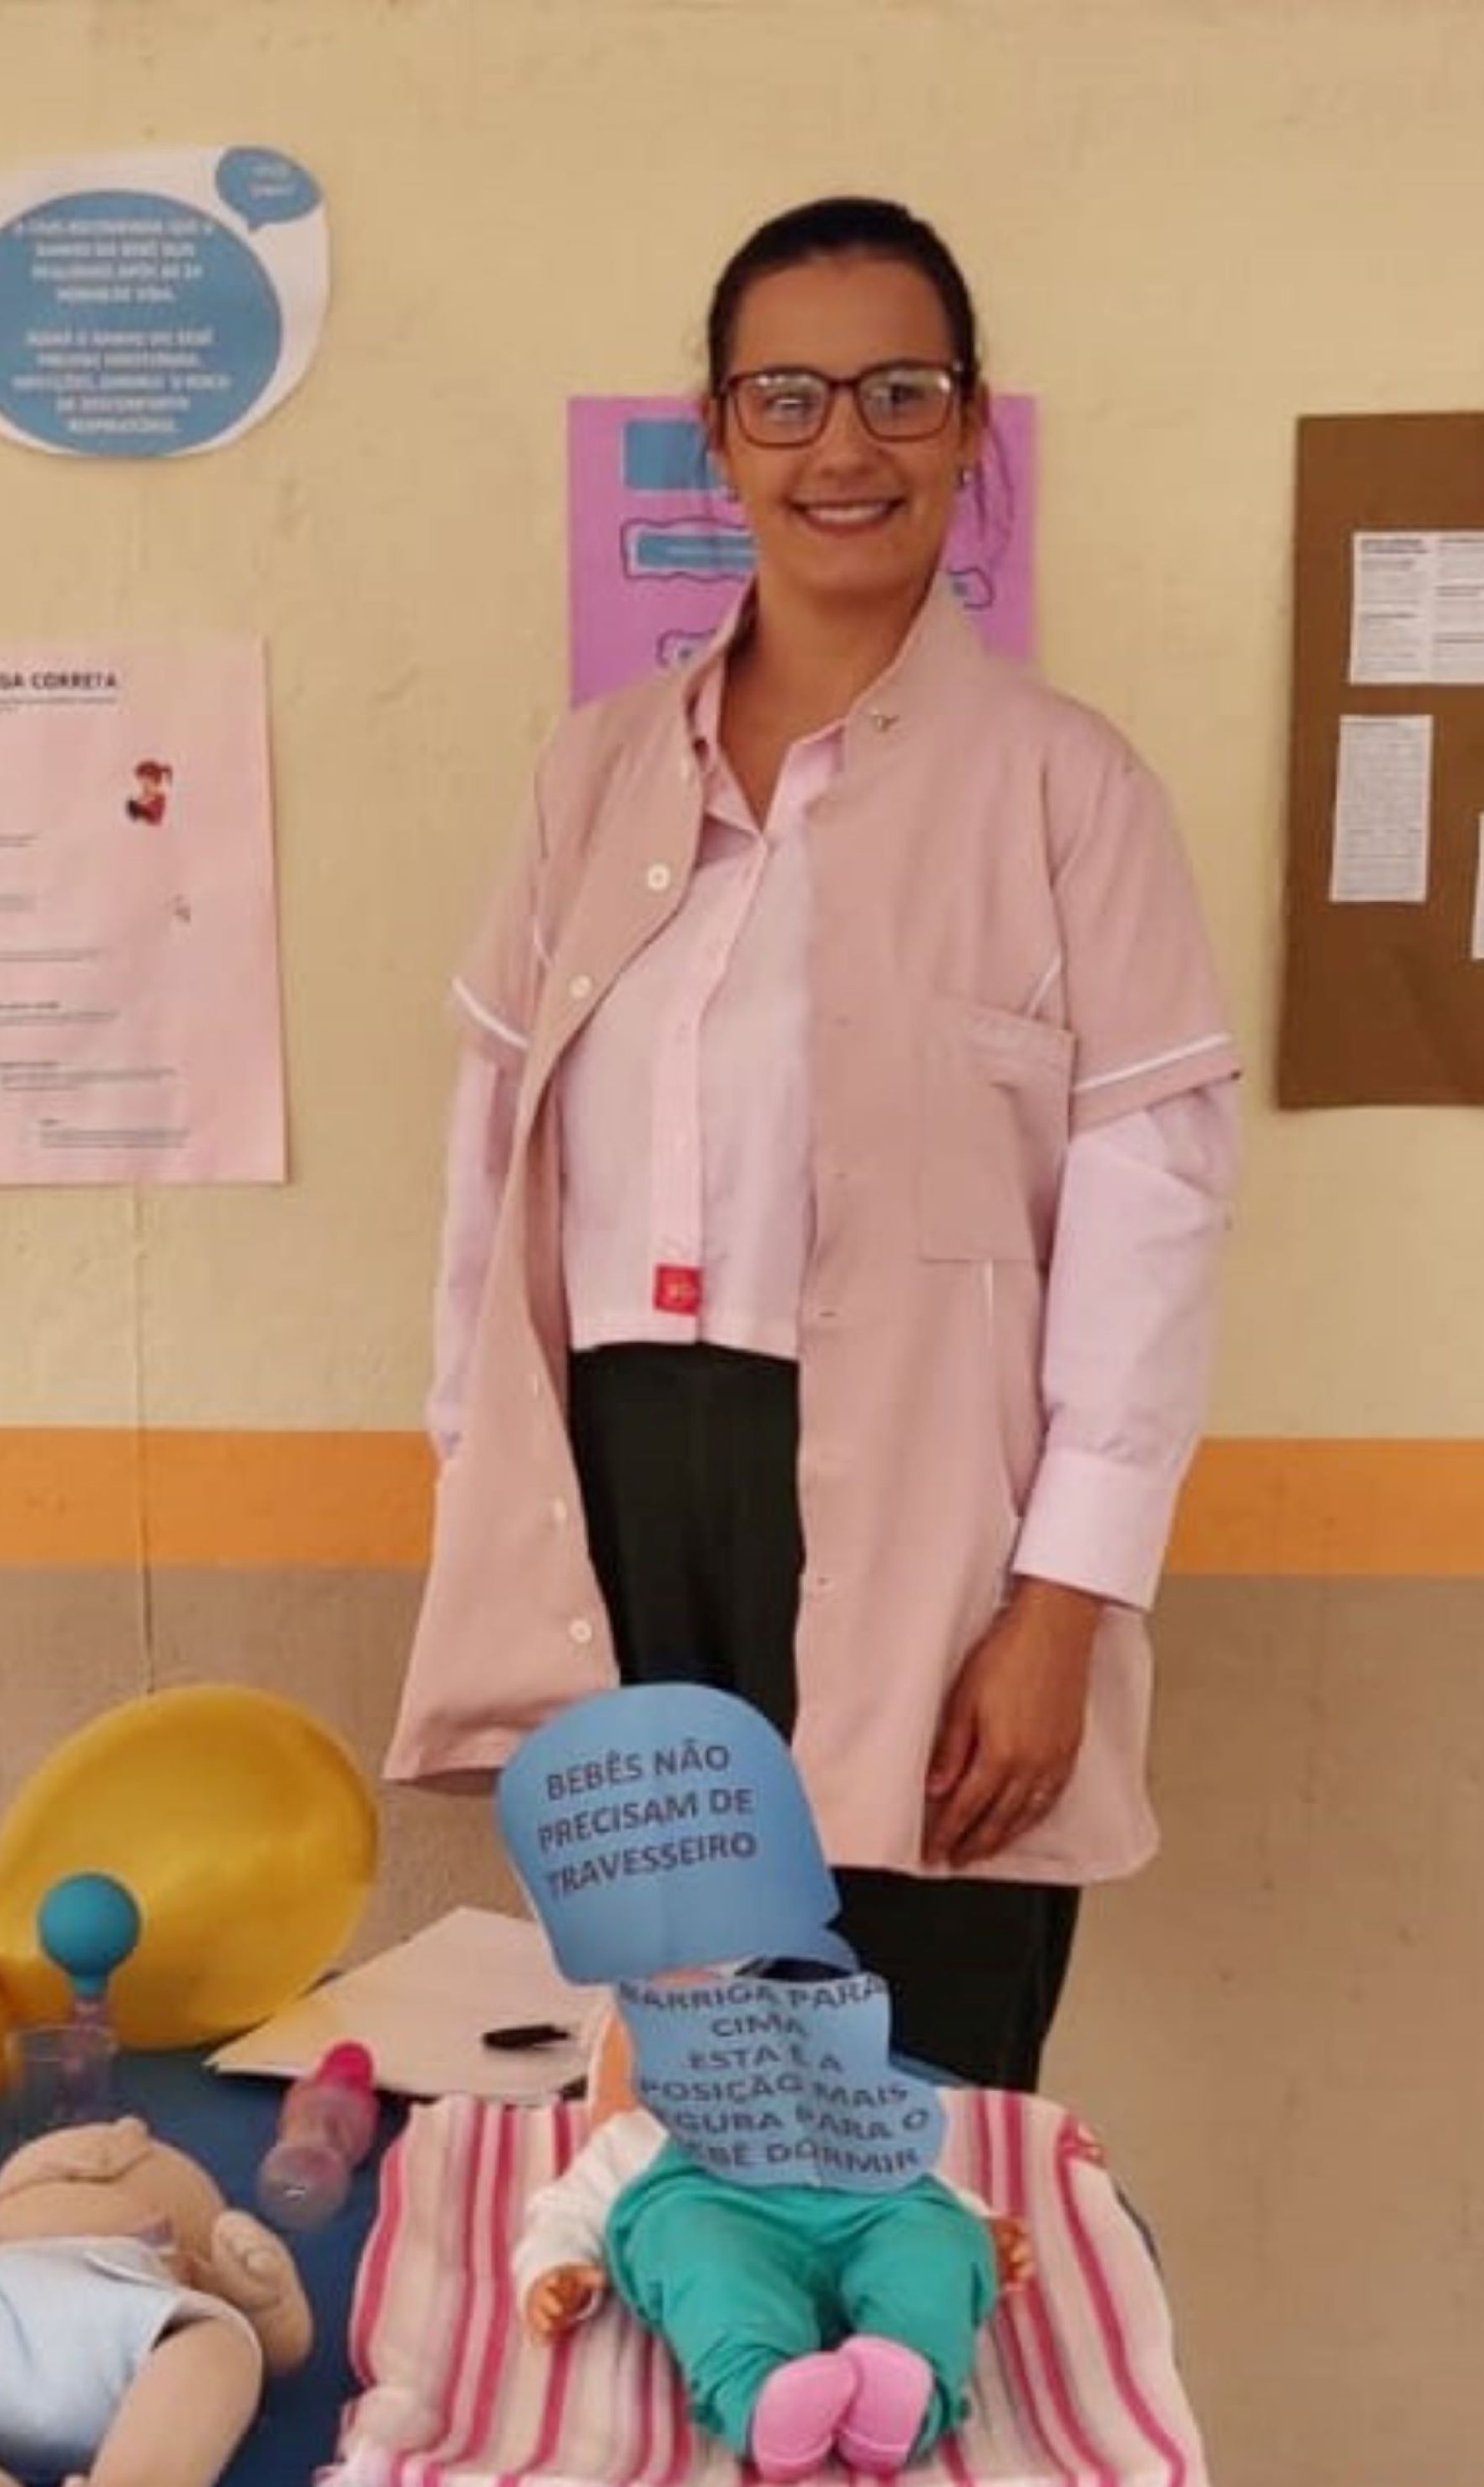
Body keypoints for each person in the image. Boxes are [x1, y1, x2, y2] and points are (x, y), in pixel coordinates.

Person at [388, 195, 1240, 2093]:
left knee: (914, 2099)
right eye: (785, 396)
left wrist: (1065, 1603)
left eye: (896, 391)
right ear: (718, 432)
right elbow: (490, 1172)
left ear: (970, 426)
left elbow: (1154, 1209)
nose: (841, 444)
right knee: (669, 2093)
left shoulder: (1067, 788)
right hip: (623, 1512)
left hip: (936, 1533)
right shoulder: (595, 773)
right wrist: (482, 1495)